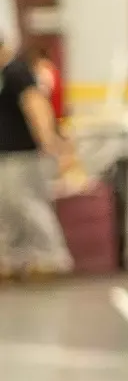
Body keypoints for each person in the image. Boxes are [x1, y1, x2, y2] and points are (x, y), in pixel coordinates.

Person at [0, 33, 77, 280]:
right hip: (7, 153)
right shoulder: (5, 75)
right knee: (9, 209)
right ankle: (15, 258)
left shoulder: (17, 72)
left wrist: (48, 141)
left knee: (30, 204)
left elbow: (36, 106)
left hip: (23, 153)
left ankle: (52, 256)